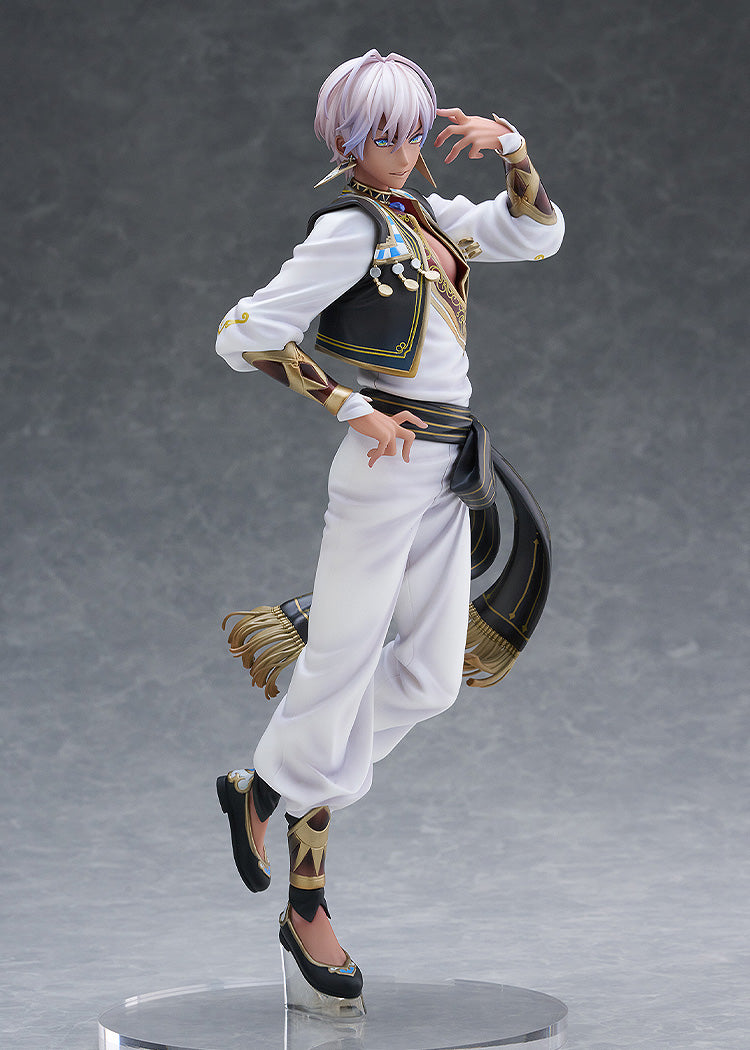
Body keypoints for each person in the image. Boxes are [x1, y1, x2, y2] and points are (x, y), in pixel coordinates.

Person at [215, 49, 564, 1000]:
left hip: (448, 468)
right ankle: (308, 903)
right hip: (385, 466)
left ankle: (266, 788)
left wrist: (516, 153)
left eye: (413, 133)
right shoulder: (348, 227)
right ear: (348, 141)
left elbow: (536, 235)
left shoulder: (428, 215)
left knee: (430, 678)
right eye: (386, 137)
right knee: (339, 665)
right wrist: (349, 406)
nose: (405, 151)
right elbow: (245, 332)